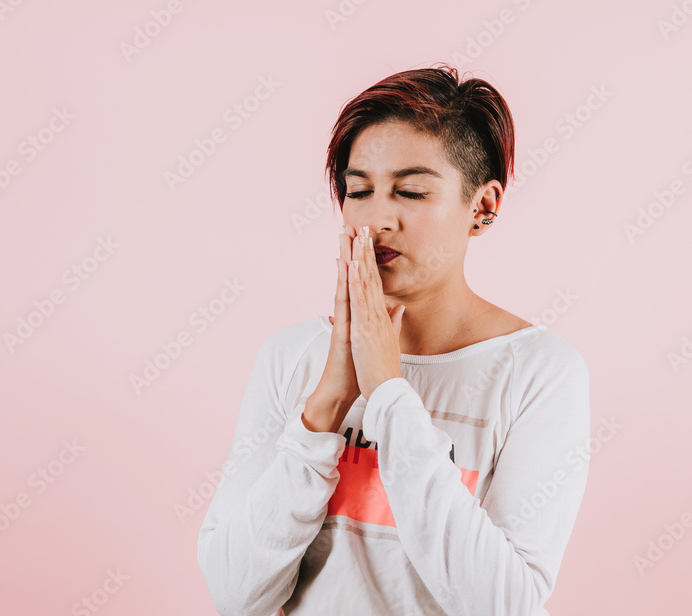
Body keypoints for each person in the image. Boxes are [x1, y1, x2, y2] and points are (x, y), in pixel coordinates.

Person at [197, 62, 591, 616]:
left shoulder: (539, 371)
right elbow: (235, 593)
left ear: (483, 206)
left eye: (410, 192)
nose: (377, 218)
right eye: (358, 190)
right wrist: (326, 406)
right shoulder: (292, 356)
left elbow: (505, 605)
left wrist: (387, 393)